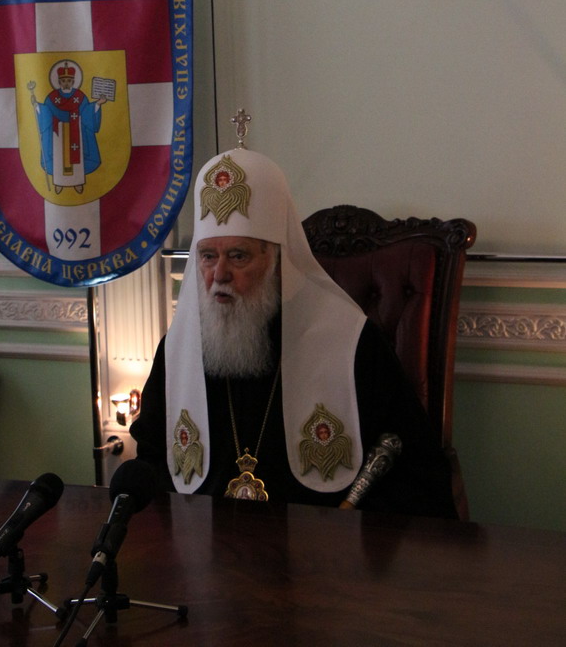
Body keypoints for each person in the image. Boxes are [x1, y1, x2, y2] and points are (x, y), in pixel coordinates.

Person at [130, 145, 457, 517]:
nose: (219, 275)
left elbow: (416, 470)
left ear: (276, 260)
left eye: (238, 255)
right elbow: (152, 458)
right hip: (206, 543)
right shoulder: (179, 350)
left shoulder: (350, 342)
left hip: (315, 544)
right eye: (208, 256)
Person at [31, 59, 107, 195]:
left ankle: (77, 182)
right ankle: (59, 182)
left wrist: (98, 104)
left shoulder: (80, 97)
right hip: (57, 135)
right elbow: (46, 112)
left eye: (69, 81)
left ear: (73, 82)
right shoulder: (52, 97)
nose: (66, 83)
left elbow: (87, 112)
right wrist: (36, 105)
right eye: (63, 81)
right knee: (58, 158)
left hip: (76, 132)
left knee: (77, 159)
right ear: (59, 82)